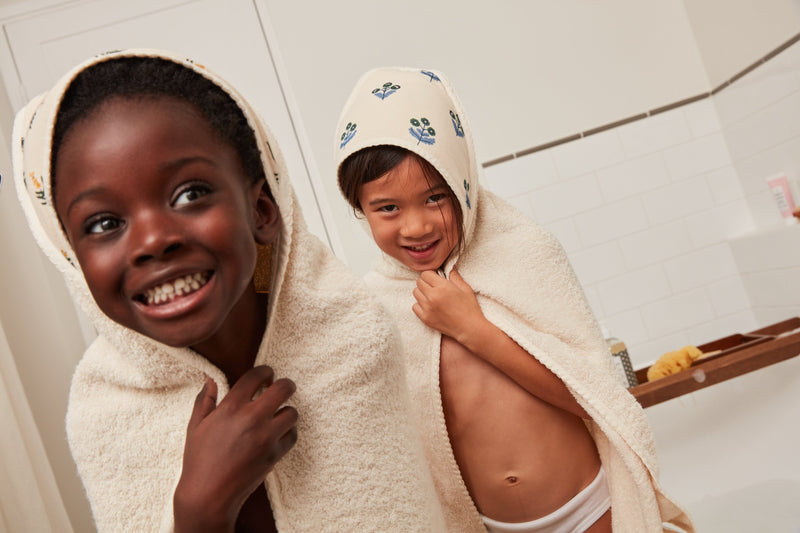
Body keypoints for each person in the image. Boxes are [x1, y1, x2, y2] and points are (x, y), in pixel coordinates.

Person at [12, 50, 446, 532]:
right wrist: (200, 511)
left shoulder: (349, 335)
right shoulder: (105, 412)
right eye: (105, 223)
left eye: (190, 194)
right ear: (74, 259)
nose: (154, 240)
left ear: (261, 209)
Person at [334, 67, 695, 532]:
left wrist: (473, 329)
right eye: (388, 208)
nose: (416, 226)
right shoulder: (377, 307)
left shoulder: (521, 254)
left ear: (463, 184)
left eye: (435, 198)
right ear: (360, 210)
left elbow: (595, 397)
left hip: (589, 508)